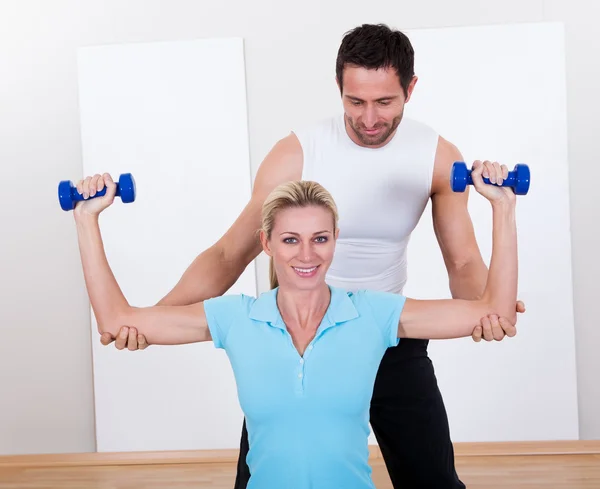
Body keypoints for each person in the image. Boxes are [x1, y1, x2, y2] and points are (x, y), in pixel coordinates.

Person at [92, 23, 525, 489]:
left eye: (385, 102)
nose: (370, 119)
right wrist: (151, 320)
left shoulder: (436, 156)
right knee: (266, 475)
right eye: (355, 102)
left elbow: (461, 262)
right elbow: (226, 254)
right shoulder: (295, 154)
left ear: (410, 88)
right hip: (296, 339)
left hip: (389, 331)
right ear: (339, 87)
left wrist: (486, 306)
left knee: (433, 482)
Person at [73, 166, 518, 489]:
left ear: (334, 240)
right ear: (266, 244)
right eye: (290, 240)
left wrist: (503, 208)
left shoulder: (374, 314)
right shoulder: (236, 318)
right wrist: (86, 219)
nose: (307, 255)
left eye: (319, 239)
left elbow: (492, 311)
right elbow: (117, 320)